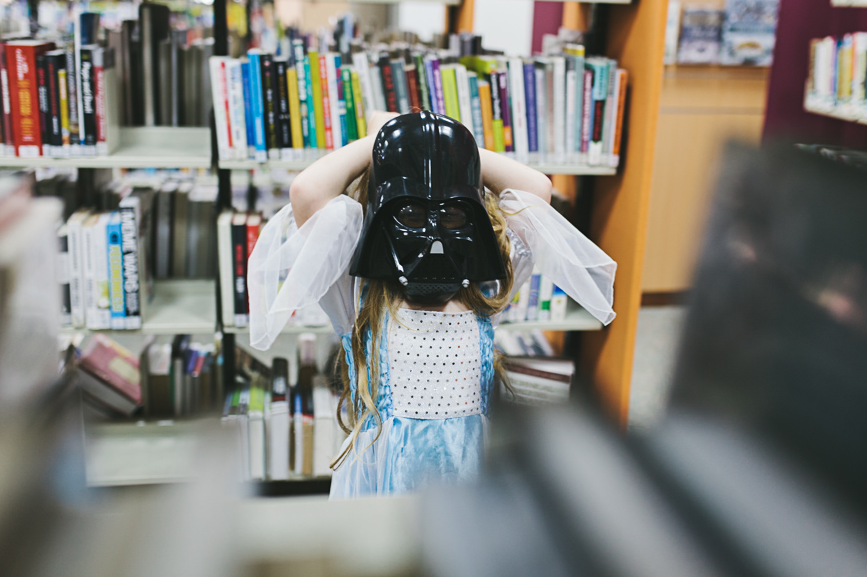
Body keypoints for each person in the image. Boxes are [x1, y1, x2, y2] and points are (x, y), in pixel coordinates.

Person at [248, 111, 616, 498]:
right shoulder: (355, 291)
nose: (433, 235)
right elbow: (307, 192)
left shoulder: (484, 289)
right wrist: (384, 140)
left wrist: (451, 144)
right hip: (383, 477)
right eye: (411, 214)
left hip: (470, 471)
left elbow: (535, 190)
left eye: (453, 214)